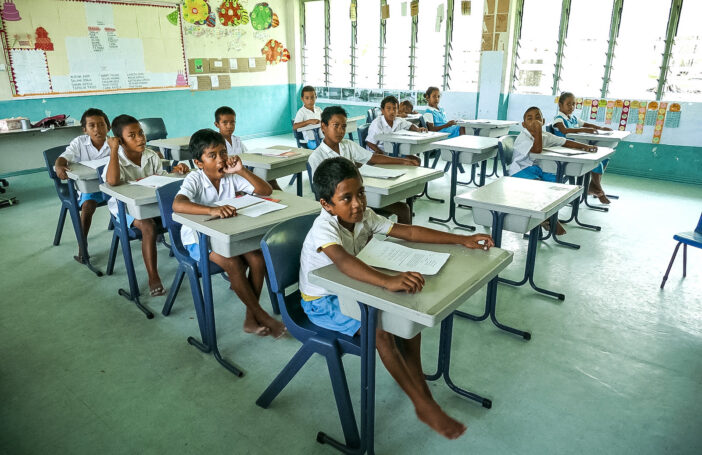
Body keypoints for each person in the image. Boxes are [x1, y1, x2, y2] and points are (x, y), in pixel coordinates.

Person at [299, 157, 494, 439]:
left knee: (406, 311)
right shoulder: (324, 227)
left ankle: (415, 376)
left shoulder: (363, 216)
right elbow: (343, 262)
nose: (358, 204)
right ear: (326, 204)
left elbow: (409, 231)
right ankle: (422, 404)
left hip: (351, 289)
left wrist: (459, 239)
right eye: (347, 198)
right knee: (380, 332)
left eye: (361, 193)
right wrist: (387, 280)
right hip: (321, 302)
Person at [172, 129, 285, 337]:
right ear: (198, 162)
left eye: (223, 153)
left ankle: (250, 319)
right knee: (233, 263)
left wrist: (242, 171)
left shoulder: (230, 177)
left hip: (229, 236)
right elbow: (178, 204)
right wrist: (211, 209)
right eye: (212, 156)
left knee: (258, 259)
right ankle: (261, 314)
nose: (220, 160)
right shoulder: (194, 179)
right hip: (198, 239)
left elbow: (265, 191)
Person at [103, 115, 190, 297]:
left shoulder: (150, 155)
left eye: (141, 133)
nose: (140, 138)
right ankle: (153, 276)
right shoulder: (115, 159)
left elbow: (161, 179)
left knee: (185, 212)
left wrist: (176, 170)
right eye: (132, 135)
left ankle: (192, 256)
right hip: (124, 209)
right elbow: (112, 181)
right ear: (120, 141)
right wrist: (113, 150)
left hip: (151, 204)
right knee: (148, 226)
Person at [308, 106, 419, 224]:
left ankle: (401, 241)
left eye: (344, 126)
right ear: (323, 127)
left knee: (404, 209)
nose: (341, 131)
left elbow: (373, 157)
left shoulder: (348, 145)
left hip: (359, 196)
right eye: (336, 126)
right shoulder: (316, 157)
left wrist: (404, 161)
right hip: (340, 203)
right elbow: (321, 191)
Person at [511, 106, 597, 235]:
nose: (535, 121)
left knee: (554, 185)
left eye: (538, 118)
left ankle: (545, 216)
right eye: (530, 119)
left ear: (544, 121)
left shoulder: (545, 135)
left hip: (538, 169)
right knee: (537, 188)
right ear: (524, 124)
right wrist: (538, 130)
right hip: (520, 171)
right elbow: (537, 150)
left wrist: (585, 147)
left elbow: (564, 142)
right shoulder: (524, 137)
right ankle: (547, 219)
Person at [54, 108, 111, 262]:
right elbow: (63, 157)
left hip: (110, 186)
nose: (97, 129)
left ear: (108, 127)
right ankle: (82, 245)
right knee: (88, 205)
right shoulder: (79, 143)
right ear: (85, 130)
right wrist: (59, 165)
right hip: (87, 187)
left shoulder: (114, 143)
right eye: (92, 126)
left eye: (101, 124)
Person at [552, 92, 612, 204]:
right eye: (568, 104)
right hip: (565, 151)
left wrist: (601, 128)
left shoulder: (573, 118)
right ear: (560, 105)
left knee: (604, 158)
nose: (571, 107)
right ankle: (599, 191)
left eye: (573, 104)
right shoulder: (559, 118)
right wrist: (583, 130)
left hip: (576, 148)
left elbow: (585, 124)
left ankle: (593, 187)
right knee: (596, 161)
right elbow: (564, 130)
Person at [214, 105, 281, 190]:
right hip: (231, 174)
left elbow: (248, 155)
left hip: (243, 171)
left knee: (270, 176)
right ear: (217, 125)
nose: (229, 126)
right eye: (225, 123)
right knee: (264, 178)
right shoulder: (216, 143)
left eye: (232, 122)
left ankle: (279, 196)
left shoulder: (236, 140)